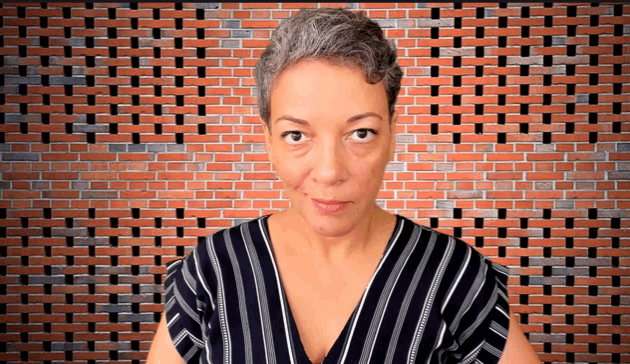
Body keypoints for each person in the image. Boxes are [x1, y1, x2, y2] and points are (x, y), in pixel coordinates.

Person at [146, 7, 541, 364]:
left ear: (392, 136)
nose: (330, 171)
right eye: (297, 136)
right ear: (268, 143)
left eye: (361, 133)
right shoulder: (212, 269)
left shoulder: (453, 274)